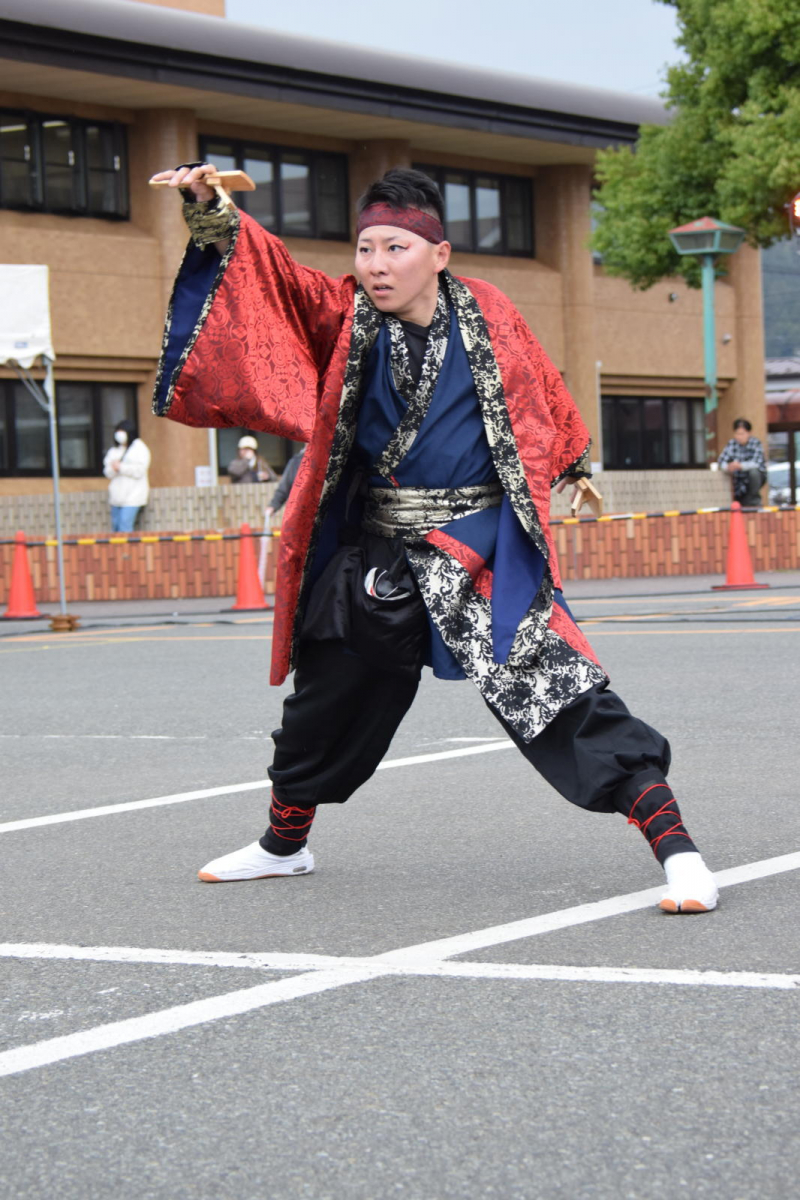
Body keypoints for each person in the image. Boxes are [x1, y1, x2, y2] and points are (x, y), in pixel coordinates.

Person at [150, 162, 718, 915]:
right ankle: (284, 846)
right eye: (366, 249)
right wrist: (212, 211)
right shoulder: (345, 314)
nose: (377, 265)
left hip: (478, 550)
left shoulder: (490, 312)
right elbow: (277, 281)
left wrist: (573, 462)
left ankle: (678, 852)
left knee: (561, 691)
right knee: (325, 699)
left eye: (396, 249)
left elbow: (541, 389)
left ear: (439, 254)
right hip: (380, 550)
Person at [102, 418, 150, 533]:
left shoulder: (139, 448)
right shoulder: (114, 450)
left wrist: (121, 467)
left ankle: (127, 546)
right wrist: (114, 468)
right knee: (116, 527)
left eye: (122, 431)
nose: (119, 435)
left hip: (133, 496)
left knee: (125, 526)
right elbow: (107, 471)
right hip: (116, 497)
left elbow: (139, 470)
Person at [718, 418, 766, 507]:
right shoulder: (732, 444)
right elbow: (721, 461)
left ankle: (754, 500)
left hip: (752, 479)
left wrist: (741, 466)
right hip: (737, 479)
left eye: (742, 434)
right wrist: (728, 466)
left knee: (754, 473)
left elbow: (757, 463)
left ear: (749, 433)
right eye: (737, 433)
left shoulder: (756, 443)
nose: (739, 436)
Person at [265, 445, 306, 523]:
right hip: (300, 512)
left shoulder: (328, 458)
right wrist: (273, 505)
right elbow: (284, 487)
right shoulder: (297, 461)